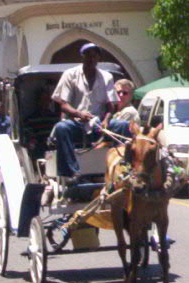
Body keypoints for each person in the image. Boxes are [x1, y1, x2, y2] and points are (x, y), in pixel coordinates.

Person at [49, 43, 131, 180]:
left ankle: (123, 166)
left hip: (98, 125)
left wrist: (106, 120)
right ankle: (71, 172)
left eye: (94, 56)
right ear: (82, 57)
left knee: (123, 125)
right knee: (61, 127)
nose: (91, 59)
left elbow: (111, 106)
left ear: (98, 58)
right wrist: (79, 114)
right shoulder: (70, 75)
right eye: (88, 55)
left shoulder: (107, 77)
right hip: (77, 124)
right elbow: (63, 105)